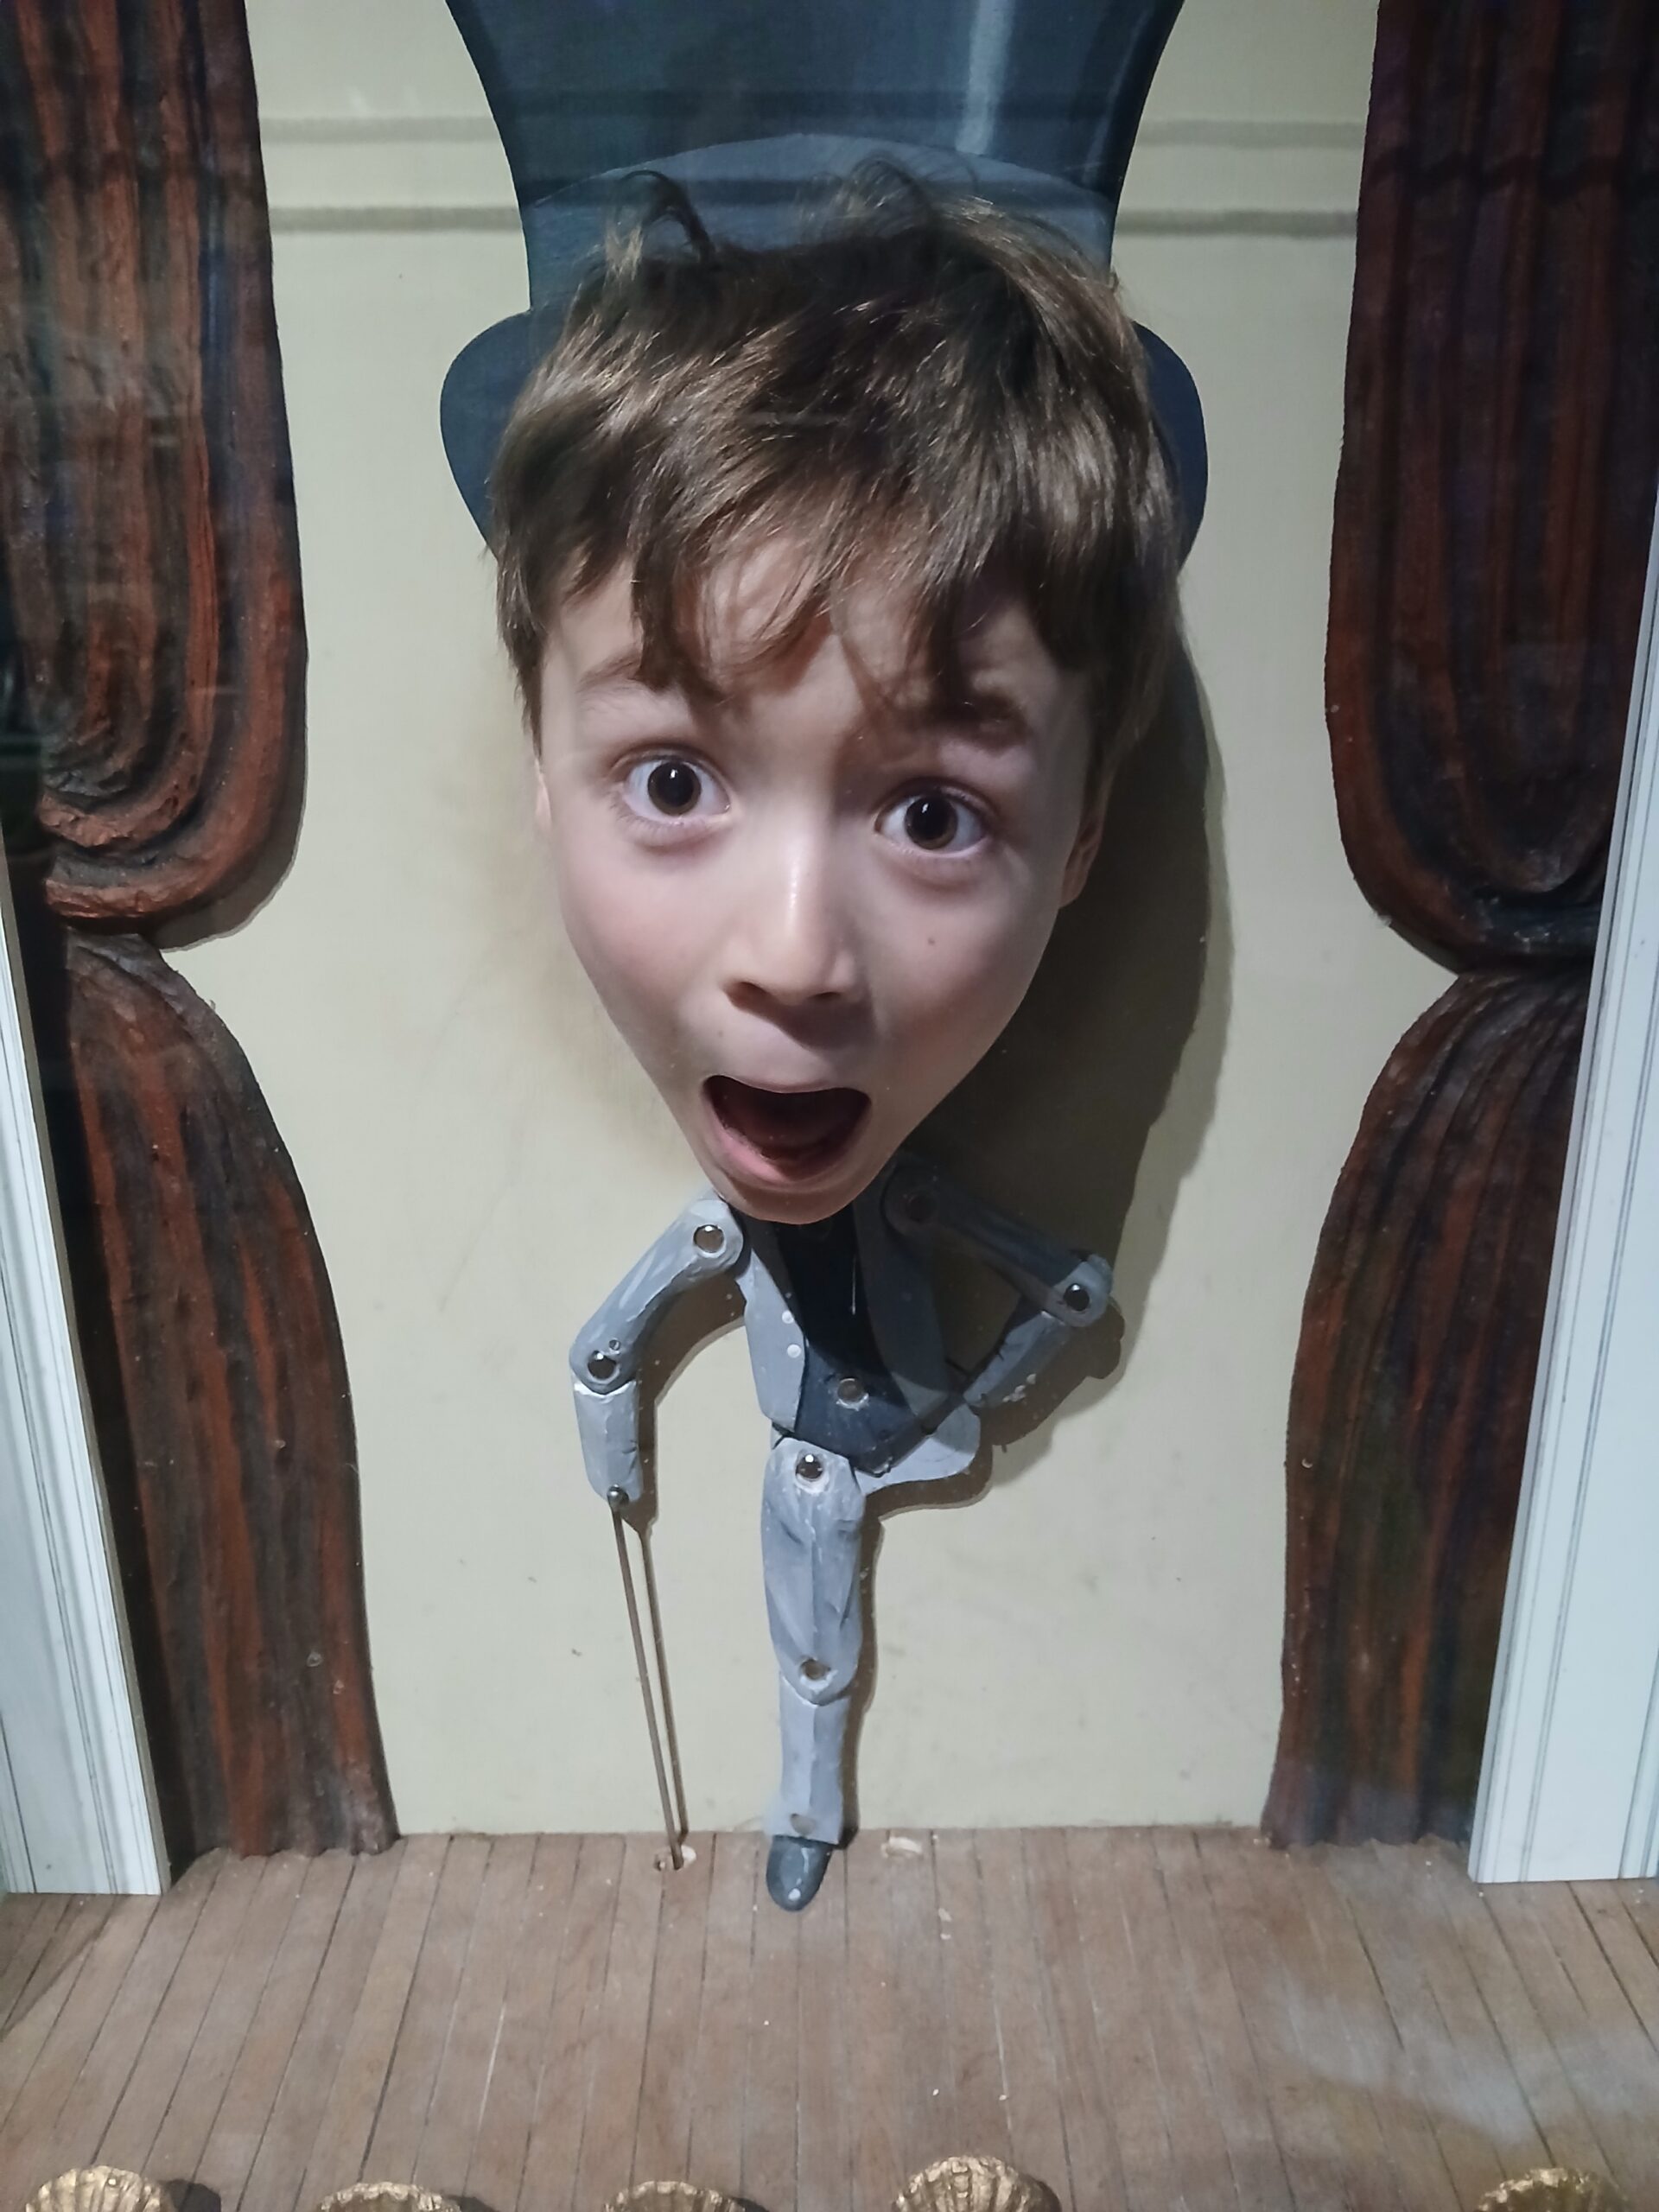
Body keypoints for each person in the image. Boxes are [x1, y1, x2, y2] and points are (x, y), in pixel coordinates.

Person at [484, 168, 1183, 1909]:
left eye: (935, 815)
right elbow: (621, 1332)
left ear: (1083, 839)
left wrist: (979, 1395)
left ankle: (809, 1808)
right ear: (538, 772)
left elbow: (1060, 1290)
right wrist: (610, 1405)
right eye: (672, 782)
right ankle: (805, 1809)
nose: (794, 958)